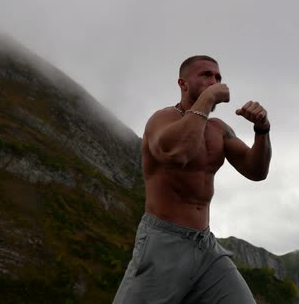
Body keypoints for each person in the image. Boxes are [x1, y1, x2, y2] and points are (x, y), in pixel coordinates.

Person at [113, 55, 272, 303]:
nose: (214, 80)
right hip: (163, 242)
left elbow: (257, 171)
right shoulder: (162, 120)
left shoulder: (219, 129)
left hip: (205, 244)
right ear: (183, 83)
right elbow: (178, 154)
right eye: (206, 75)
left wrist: (262, 130)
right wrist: (208, 98)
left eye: (218, 77)